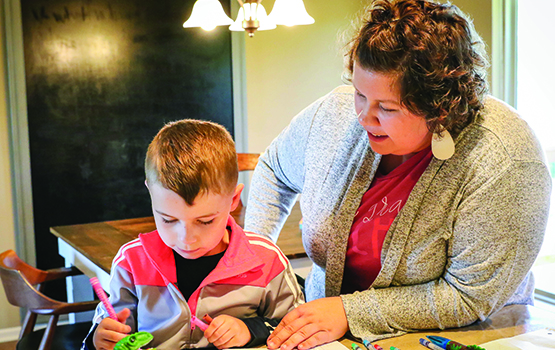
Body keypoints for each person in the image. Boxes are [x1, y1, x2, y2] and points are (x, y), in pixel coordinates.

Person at [244, 0, 552, 349]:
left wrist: (348, 311)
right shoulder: (337, 114)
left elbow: (467, 297)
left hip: (471, 336)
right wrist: (253, 263)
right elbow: (274, 169)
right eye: (359, 94)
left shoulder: (504, 161)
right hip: (331, 334)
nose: (362, 117)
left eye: (386, 108)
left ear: (440, 107)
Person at [83, 119, 304, 350]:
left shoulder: (266, 261)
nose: (187, 239)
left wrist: (249, 330)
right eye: (168, 219)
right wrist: (98, 341)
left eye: (205, 221)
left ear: (234, 200)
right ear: (150, 193)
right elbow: (109, 330)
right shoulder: (131, 263)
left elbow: (296, 329)